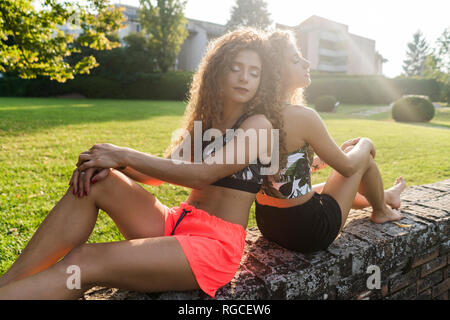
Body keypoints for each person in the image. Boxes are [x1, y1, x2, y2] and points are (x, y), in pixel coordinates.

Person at [0, 28, 284, 299]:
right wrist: (107, 163)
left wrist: (124, 154)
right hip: (178, 222)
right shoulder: (206, 121)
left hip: (214, 247)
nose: (244, 77)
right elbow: (160, 174)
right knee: (100, 179)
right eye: (236, 67)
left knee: (83, 260)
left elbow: (201, 175)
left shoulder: (257, 125)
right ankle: (7, 284)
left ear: (262, 81)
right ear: (218, 70)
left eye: (254, 72)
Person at [254, 30, 406, 254]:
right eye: (296, 59)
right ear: (275, 72)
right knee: (360, 158)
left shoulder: (255, 115)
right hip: (309, 231)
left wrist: (326, 158)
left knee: (325, 187)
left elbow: (282, 174)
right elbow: (348, 167)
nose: (306, 63)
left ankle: (386, 197)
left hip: (268, 223)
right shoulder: (303, 116)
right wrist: (365, 143)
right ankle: (382, 210)